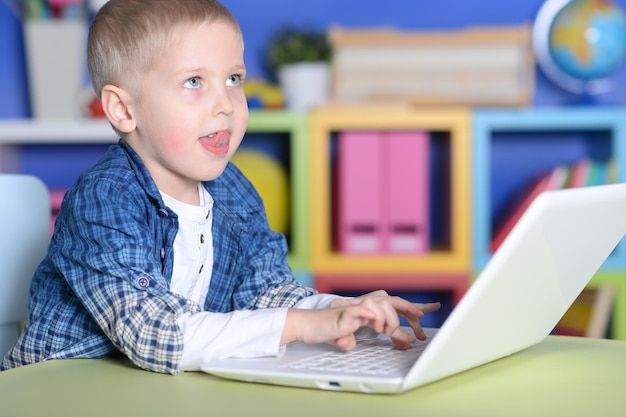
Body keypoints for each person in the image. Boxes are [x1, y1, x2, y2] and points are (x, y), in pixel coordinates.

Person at [1, 0, 440, 374]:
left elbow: (264, 291)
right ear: (122, 108)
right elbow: (155, 333)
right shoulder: (105, 200)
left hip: (154, 390)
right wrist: (303, 326)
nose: (225, 105)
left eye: (234, 79)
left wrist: (337, 312)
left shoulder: (233, 189)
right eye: (194, 82)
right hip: (61, 390)